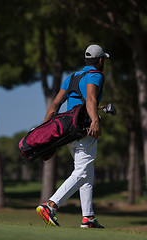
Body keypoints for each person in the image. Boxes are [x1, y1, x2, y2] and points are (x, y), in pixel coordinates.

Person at [36, 44, 109, 228]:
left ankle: (88, 217)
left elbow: (55, 105)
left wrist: (46, 132)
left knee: (86, 174)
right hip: (85, 130)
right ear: (100, 61)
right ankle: (50, 205)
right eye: (103, 60)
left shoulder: (71, 77)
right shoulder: (96, 75)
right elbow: (91, 99)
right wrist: (95, 121)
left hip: (69, 133)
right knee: (82, 172)